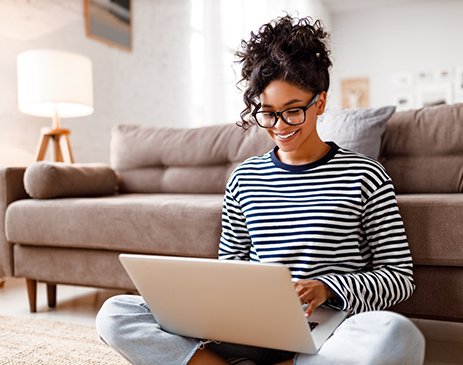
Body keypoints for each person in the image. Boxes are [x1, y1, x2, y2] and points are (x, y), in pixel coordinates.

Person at [96, 15, 425, 365]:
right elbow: (230, 268)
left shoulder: (365, 175)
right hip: (249, 328)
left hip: (329, 329)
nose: (280, 126)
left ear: (321, 102)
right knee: (115, 313)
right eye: (267, 114)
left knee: (395, 335)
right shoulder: (244, 178)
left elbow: (399, 277)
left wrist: (329, 287)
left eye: (293, 111)